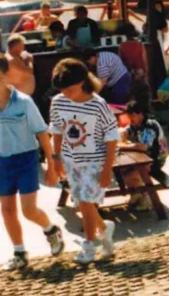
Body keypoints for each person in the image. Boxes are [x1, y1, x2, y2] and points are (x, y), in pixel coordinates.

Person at [50, 59, 118, 264]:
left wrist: (107, 169)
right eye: (62, 89)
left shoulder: (98, 105)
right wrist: (56, 158)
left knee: (87, 204)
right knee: (82, 204)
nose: (66, 93)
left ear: (81, 82)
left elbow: (111, 136)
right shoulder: (58, 102)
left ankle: (88, 246)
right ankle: (104, 229)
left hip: (95, 162)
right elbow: (56, 130)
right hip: (71, 161)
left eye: (69, 89)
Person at [0, 57, 64, 271]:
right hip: (2, 162)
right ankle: (19, 253)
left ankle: (51, 230)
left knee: (28, 210)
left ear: (4, 75)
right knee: (7, 210)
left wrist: (52, 166)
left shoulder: (24, 102)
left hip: (26, 159)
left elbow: (42, 133)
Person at [117, 101, 168, 211]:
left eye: (132, 116)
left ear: (140, 114)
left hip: (156, 159)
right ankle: (136, 194)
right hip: (143, 156)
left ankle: (146, 197)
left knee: (131, 172)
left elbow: (143, 147)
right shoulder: (136, 124)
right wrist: (123, 133)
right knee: (122, 170)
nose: (130, 119)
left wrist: (121, 147)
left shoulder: (150, 126)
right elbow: (126, 130)